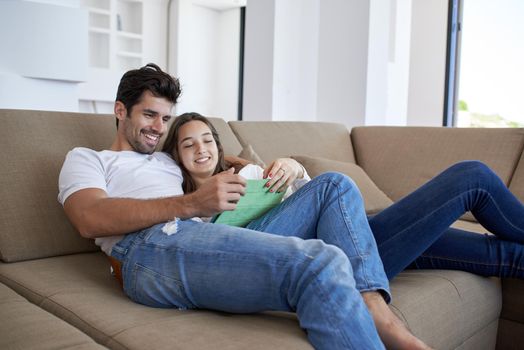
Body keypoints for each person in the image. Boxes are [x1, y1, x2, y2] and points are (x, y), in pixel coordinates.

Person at [56, 63, 524, 350]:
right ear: (120, 111)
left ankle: (371, 305)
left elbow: (218, 164)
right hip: (153, 247)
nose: (158, 128)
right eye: (148, 116)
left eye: (164, 117)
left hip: (222, 235)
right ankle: (380, 319)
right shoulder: (88, 160)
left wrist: (284, 171)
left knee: (335, 186)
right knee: (324, 261)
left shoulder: (169, 159)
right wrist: (191, 202)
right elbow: (89, 218)